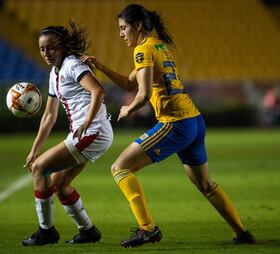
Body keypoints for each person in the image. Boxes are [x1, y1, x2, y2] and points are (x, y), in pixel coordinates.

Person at [81, 4, 255, 248]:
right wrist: (100, 67)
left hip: (175, 123)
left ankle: (147, 229)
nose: (120, 34)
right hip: (194, 120)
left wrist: (128, 109)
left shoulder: (142, 50)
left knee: (120, 168)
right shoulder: (159, 47)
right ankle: (241, 232)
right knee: (205, 185)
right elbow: (130, 83)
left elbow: (140, 95)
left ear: (137, 26)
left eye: (123, 28)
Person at [22, 21, 113, 246]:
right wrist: (34, 150)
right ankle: (88, 231)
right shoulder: (54, 74)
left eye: (51, 47)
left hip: (92, 131)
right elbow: (49, 116)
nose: (46, 53)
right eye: (42, 48)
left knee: (41, 169)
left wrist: (88, 122)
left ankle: (46, 232)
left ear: (63, 46)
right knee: (59, 183)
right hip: (88, 132)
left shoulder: (72, 64)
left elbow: (98, 90)